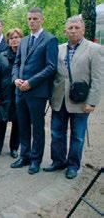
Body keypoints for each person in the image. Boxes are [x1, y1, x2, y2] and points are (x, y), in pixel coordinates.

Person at [43, 16, 103, 179]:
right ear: (66, 30)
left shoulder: (95, 49)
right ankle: (58, 161)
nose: (73, 30)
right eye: (70, 28)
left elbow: (98, 79)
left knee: (77, 135)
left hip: (81, 102)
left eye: (77, 27)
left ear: (83, 30)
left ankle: (73, 165)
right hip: (59, 99)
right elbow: (52, 73)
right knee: (57, 133)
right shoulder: (59, 48)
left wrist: (92, 102)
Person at [11, 7, 58, 174]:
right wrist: (15, 78)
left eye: (35, 19)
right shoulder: (23, 41)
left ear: (42, 20)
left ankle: (36, 160)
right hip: (20, 91)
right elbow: (17, 63)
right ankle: (24, 155)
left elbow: (51, 67)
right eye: (29, 18)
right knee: (23, 125)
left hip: (37, 92)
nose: (31, 21)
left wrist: (31, 82)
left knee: (37, 128)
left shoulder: (50, 39)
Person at [0, 28, 23, 160]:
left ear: (21, 39)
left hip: (19, 95)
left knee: (17, 123)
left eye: (17, 37)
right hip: (3, 95)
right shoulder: (2, 56)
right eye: (11, 38)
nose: (14, 40)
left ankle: (14, 148)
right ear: (8, 41)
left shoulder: (25, 55)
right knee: (1, 122)